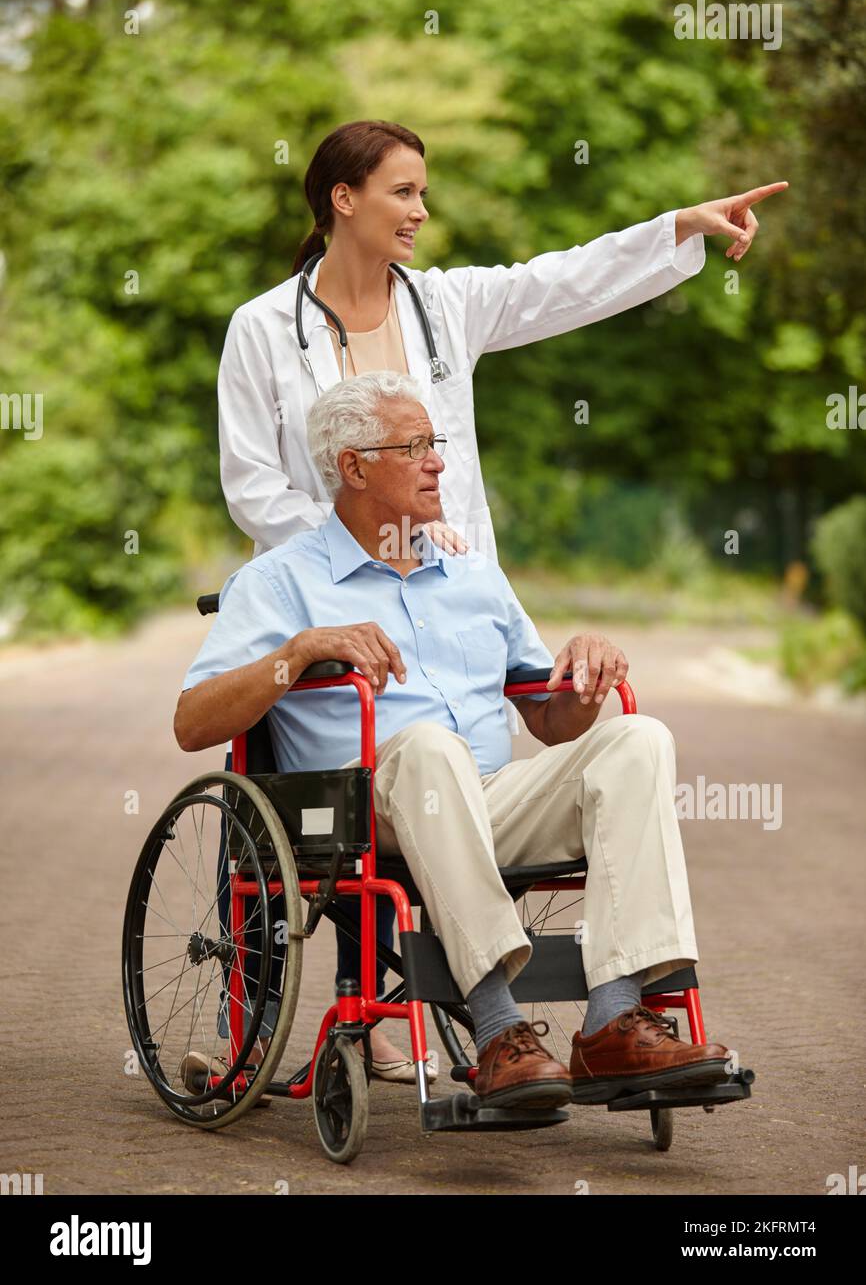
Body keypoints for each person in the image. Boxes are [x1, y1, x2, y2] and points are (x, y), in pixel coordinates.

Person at [214, 118, 787, 1074]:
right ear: (341, 200)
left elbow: (563, 281)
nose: (422, 211)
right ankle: (478, 1023)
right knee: (413, 753)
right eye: (403, 191)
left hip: (447, 586)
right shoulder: (264, 328)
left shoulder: (445, 306)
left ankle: (613, 1016)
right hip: (333, 597)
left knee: (611, 740)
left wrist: (679, 229)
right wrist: (351, 554)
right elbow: (250, 484)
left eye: (424, 192)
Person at [176, 372, 733, 1109]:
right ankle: (499, 1029)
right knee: (426, 746)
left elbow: (549, 718)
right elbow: (192, 722)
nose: (439, 461)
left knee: (638, 737)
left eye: (435, 443)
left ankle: (614, 1021)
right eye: (414, 447)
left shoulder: (473, 574)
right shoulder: (280, 583)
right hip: (361, 807)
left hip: (486, 799)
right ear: (353, 466)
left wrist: (585, 676)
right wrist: (304, 649)